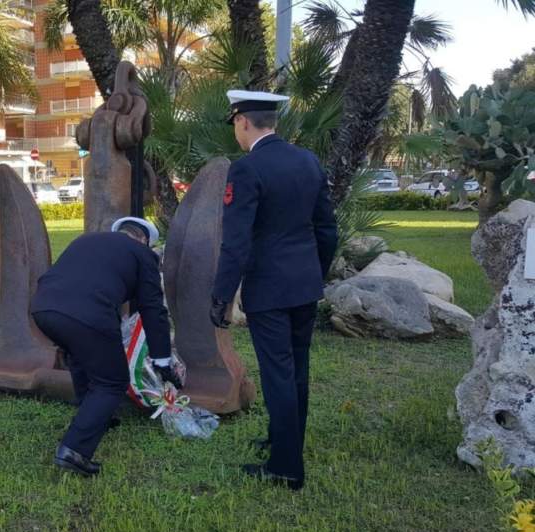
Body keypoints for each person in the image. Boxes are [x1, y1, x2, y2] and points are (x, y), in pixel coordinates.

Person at [211, 90, 338, 491]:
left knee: (278, 374)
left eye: (235, 124)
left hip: (269, 288)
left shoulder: (247, 169)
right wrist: (314, 274)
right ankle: (286, 443)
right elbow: (327, 229)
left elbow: (235, 243)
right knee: (297, 368)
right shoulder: (308, 160)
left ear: (243, 121)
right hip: (304, 285)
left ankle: (286, 467)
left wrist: (221, 296)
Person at [31, 217, 180, 477]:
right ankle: (75, 450)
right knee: (112, 382)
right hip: (87, 314)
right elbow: (153, 309)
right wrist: (162, 361)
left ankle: (94, 416)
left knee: (80, 357)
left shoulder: (85, 241)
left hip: (43, 308)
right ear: (144, 240)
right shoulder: (143, 254)